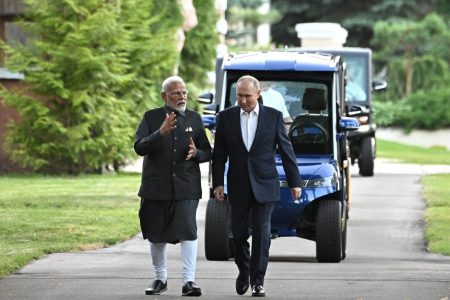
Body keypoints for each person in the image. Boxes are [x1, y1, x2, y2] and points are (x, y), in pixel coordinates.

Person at [212, 75, 301, 297]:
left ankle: (257, 281)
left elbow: (286, 150)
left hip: (265, 183)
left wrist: (294, 182)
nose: (243, 100)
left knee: (262, 234)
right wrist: (217, 184)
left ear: (258, 94)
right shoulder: (226, 118)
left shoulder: (274, 117)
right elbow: (219, 155)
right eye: (239, 96)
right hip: (238, 185)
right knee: (238, 234)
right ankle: (244, 270)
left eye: (247, 96)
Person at [134, 75, 211, 297]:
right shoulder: (151, 117)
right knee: (156, 233)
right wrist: (160, 133)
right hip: (156, 187)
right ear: (164, 96)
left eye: (184, 92)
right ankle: (160, 278)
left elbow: (208, 151)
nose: (182, 96)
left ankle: (189, 282)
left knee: (188, 231)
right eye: (176, 92)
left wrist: (198, 153)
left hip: (186, 187)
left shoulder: (195, 119)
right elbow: (139, 147)